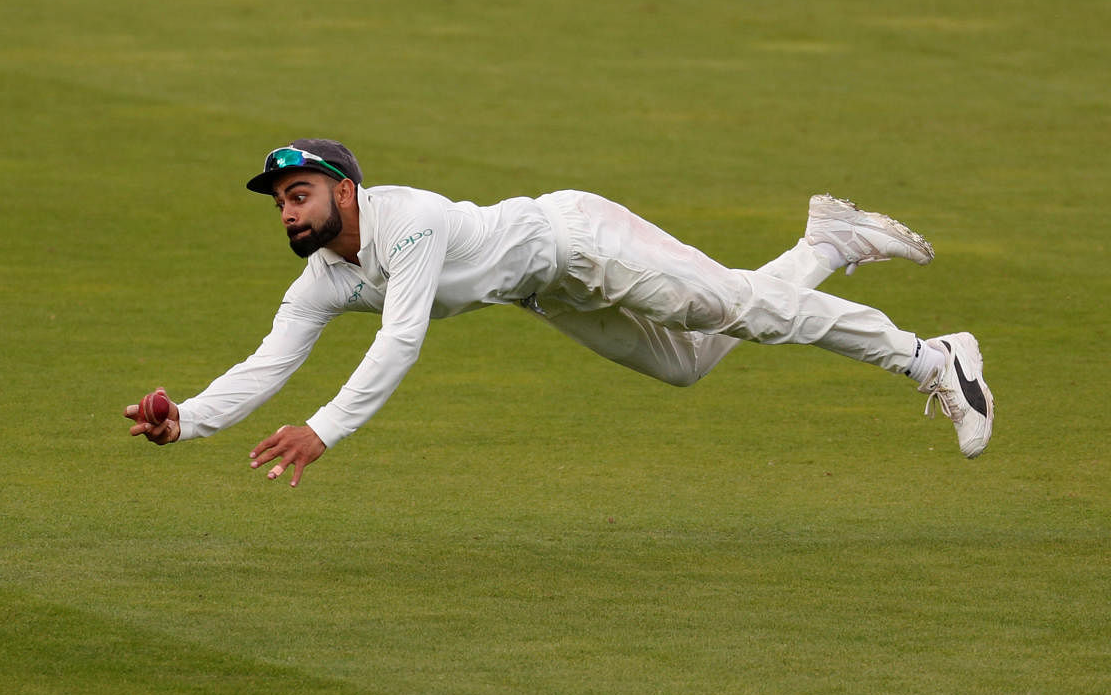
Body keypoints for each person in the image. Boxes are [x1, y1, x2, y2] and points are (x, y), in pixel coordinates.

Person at [125, 139, 994, 486]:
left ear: (345, 190)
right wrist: (187, 422)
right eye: (279, 200)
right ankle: (828, 243)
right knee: (688, 361)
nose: (287, 209)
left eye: (301, 191)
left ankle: (930, 357)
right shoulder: (323, 275)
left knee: (745, 311)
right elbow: (268, 360)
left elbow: (404, 336)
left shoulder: (410, 218)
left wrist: (324, 428)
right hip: (549, 292)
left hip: (578, 238)